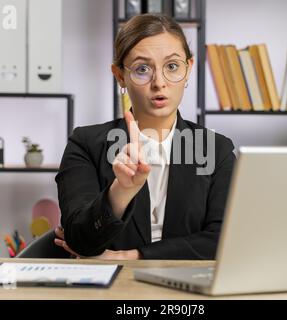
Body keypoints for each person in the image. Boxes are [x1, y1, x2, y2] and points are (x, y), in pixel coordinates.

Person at [54, 14, 236, 260]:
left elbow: (224, 241)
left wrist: (131, 257)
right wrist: (120, 192)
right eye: (142, 69)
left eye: (172, 66)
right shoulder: (86, 144)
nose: (159, 83)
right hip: (109, 292)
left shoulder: (216, 149)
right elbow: (79, 240)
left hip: (189, 290)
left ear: (188, 68)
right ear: (120, 75)